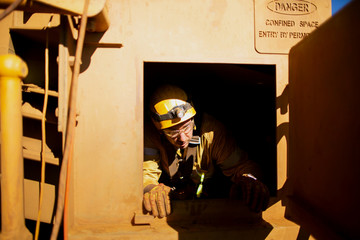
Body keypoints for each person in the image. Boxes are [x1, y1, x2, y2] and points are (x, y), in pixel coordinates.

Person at [143, 84, 269, 218]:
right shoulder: (151, 135)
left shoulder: (212, 132)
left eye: (186, 127)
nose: (182, 138)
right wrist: (152, 190)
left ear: (192, 119)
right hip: (173, 202)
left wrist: (250, 180)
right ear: (160, 131)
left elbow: (241, 166)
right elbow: (145, 174)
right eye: (172, 132)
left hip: (211, 200)